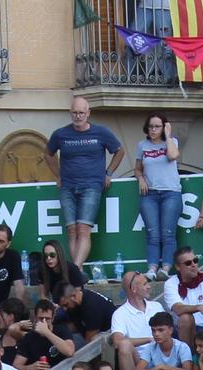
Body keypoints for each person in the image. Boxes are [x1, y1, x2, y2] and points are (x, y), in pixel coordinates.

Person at [45, 96, 125, 270]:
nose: (78, 116)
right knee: (72, 230)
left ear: (88, 113)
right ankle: (78, 270)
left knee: (83, 229)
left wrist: (109, 173)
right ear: (70, 113)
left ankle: (75, 269)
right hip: (67, 186)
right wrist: (57, 176)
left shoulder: (101, 132)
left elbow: (119, 151)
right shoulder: (60, 134)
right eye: (74, 112)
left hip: (92, 186)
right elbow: (48, 154)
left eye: (81, 112)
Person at [134, 114, 183, 281]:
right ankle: (152, 268)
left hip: (171, 192)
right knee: (152, 234)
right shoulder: (142, 145)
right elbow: (138, 169)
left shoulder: (172, 142)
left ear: (164, 127)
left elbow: (172, 156)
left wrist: (168, 136)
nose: (153, 130)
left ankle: (166, 268)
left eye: (157, 126)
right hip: (150, 194)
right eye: (151, 126)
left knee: (168, 233)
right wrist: (140, 179)